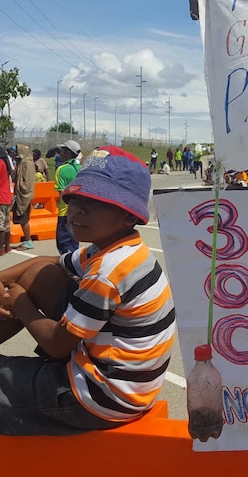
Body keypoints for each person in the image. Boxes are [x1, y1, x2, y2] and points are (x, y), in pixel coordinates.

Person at [0, 145, 176, 435]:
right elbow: (49, 261)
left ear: (129, 216)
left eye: (93, 203)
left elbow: (57, 344)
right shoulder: (117, 248)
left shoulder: (109, 272)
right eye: (76, 198)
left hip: (101, 398)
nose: (77, 210)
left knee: (26, 290)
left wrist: (18, 300)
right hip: (123, 383)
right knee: (40, 273)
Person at [48, 141, 82, 255]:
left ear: (68, 152)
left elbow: (62, 194)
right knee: (74, 244)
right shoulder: (81, 168)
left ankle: (70, 272)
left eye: (62, 151)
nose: (59, 154)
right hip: (79, 212)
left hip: (65, 213)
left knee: (64, 245)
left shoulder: (61, 170)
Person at [11, 144, 35, 250]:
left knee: (23, 218)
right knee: (20, 218)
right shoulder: (21, 162)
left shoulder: (27, 163)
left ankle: (28, 241)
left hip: (24, 196)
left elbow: (28, 182)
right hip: (20, 195)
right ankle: (27, 240)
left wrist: (22, 191)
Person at [0, 148, 12, 255]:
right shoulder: (5, 163)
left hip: (0, 198)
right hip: (7, 196)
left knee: (1, 225)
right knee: (7, 224)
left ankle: (0, 249)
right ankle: (7, 246)